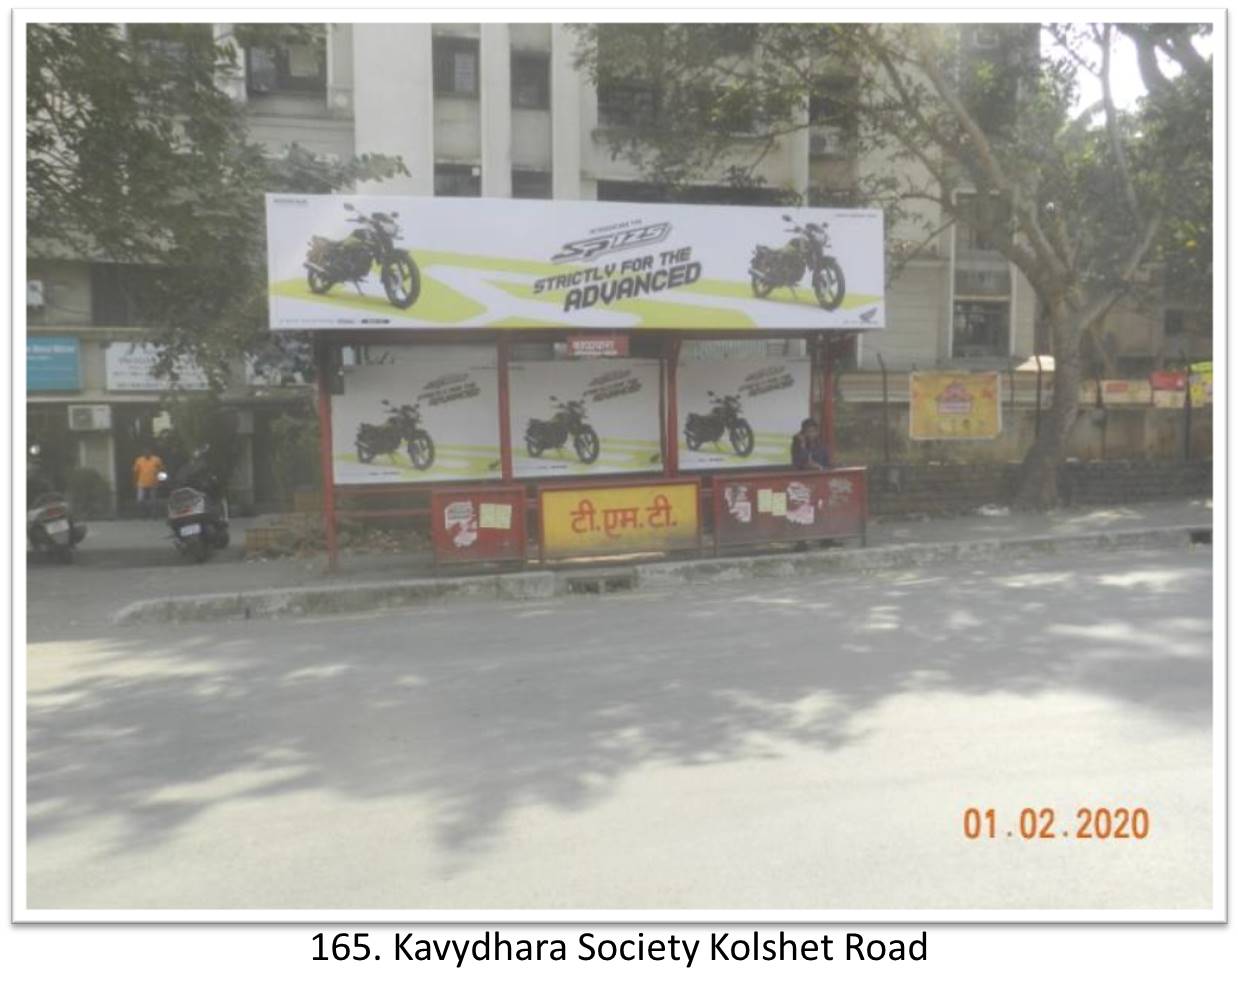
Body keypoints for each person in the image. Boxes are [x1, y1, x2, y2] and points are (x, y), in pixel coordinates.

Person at [132, 446, 165, 519]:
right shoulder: (139, 460)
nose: (147, 454)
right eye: (145, 453)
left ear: (151, 453)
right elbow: (135, 472)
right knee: (140, 500)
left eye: (148, 452)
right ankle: (143, 515)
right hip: (141, 483)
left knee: (153, 500)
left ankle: (154, 515)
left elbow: (161, 470)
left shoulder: (156, 460)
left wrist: (161, 481)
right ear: (143, 453)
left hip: (153, 483)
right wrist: (134, 482)